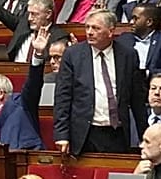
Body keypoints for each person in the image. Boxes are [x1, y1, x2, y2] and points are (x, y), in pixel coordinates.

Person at [53, 11, 146, 155]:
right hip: (85, 132)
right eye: (87, 27)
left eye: (96, 28)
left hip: (118, 132)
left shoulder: (128, 55)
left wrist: (144, 135)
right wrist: (62, 135)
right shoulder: (73, 55)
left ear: (111, 31)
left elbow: (137, 98)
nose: (89, 32)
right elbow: (62, 97)